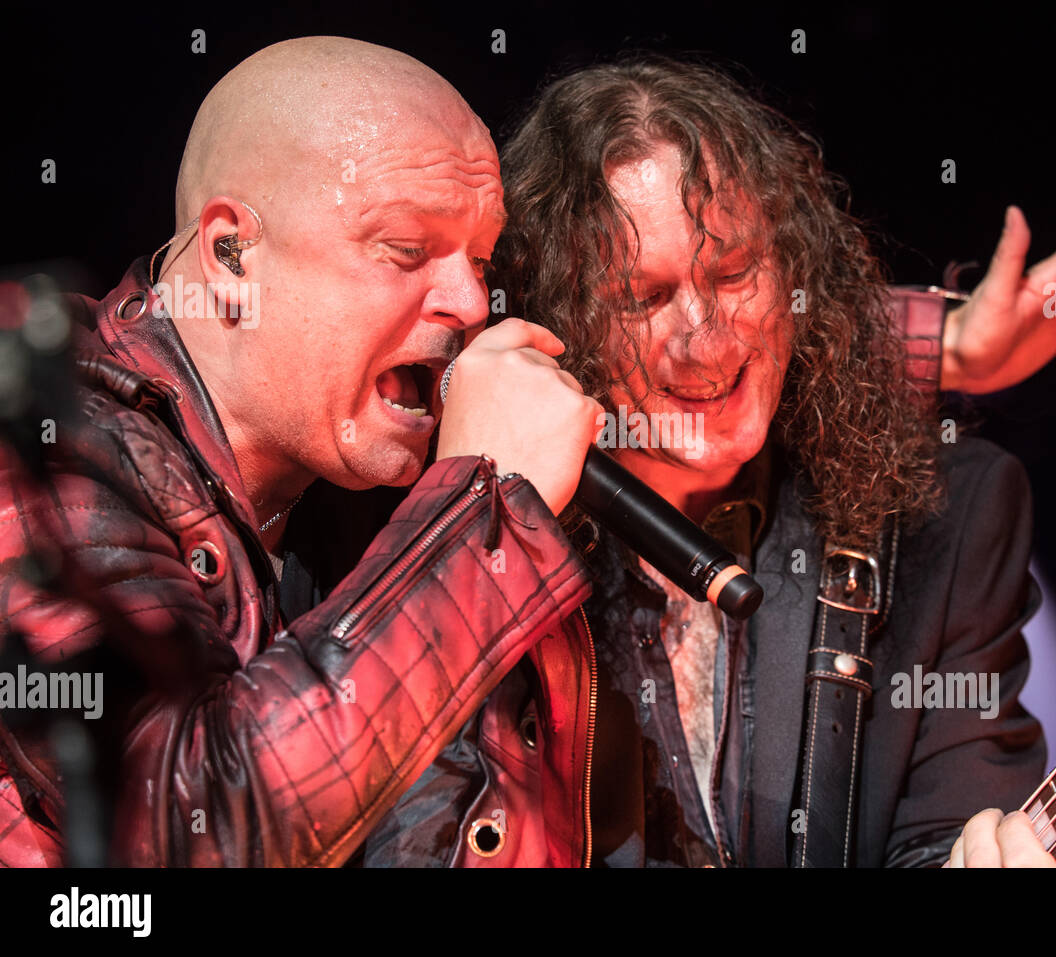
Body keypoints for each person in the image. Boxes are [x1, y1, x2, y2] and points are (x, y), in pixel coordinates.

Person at [365, 56, 1056, 867]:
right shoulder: (468, 542)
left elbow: (939, 837)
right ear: (557, 320)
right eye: (643, 296)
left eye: (735, 270)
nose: (706, 337)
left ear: (795, 271)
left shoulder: (946, 514)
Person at [0, 36, 605, 866]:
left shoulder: (372, 487)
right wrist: (477, 518)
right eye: (404, 248)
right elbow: (185, 822)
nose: (470, 302)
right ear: (230, 254)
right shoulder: (42, 447)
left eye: (479, 259)